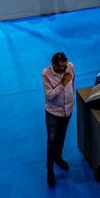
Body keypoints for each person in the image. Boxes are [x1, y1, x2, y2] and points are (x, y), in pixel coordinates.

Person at [42, 52, 75, 187]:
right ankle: (50, 170)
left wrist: (71, 100)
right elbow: (49, 96)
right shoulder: (46, 74)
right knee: (51, 141)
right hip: (53, 113)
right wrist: (62, 84)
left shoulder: (70, 67)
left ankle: (58, 158)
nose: (65, 69)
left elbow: (73, 83)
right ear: (54, 65)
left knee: (61, 137)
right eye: (61, 67)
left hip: (68, 111)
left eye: (65, 66)